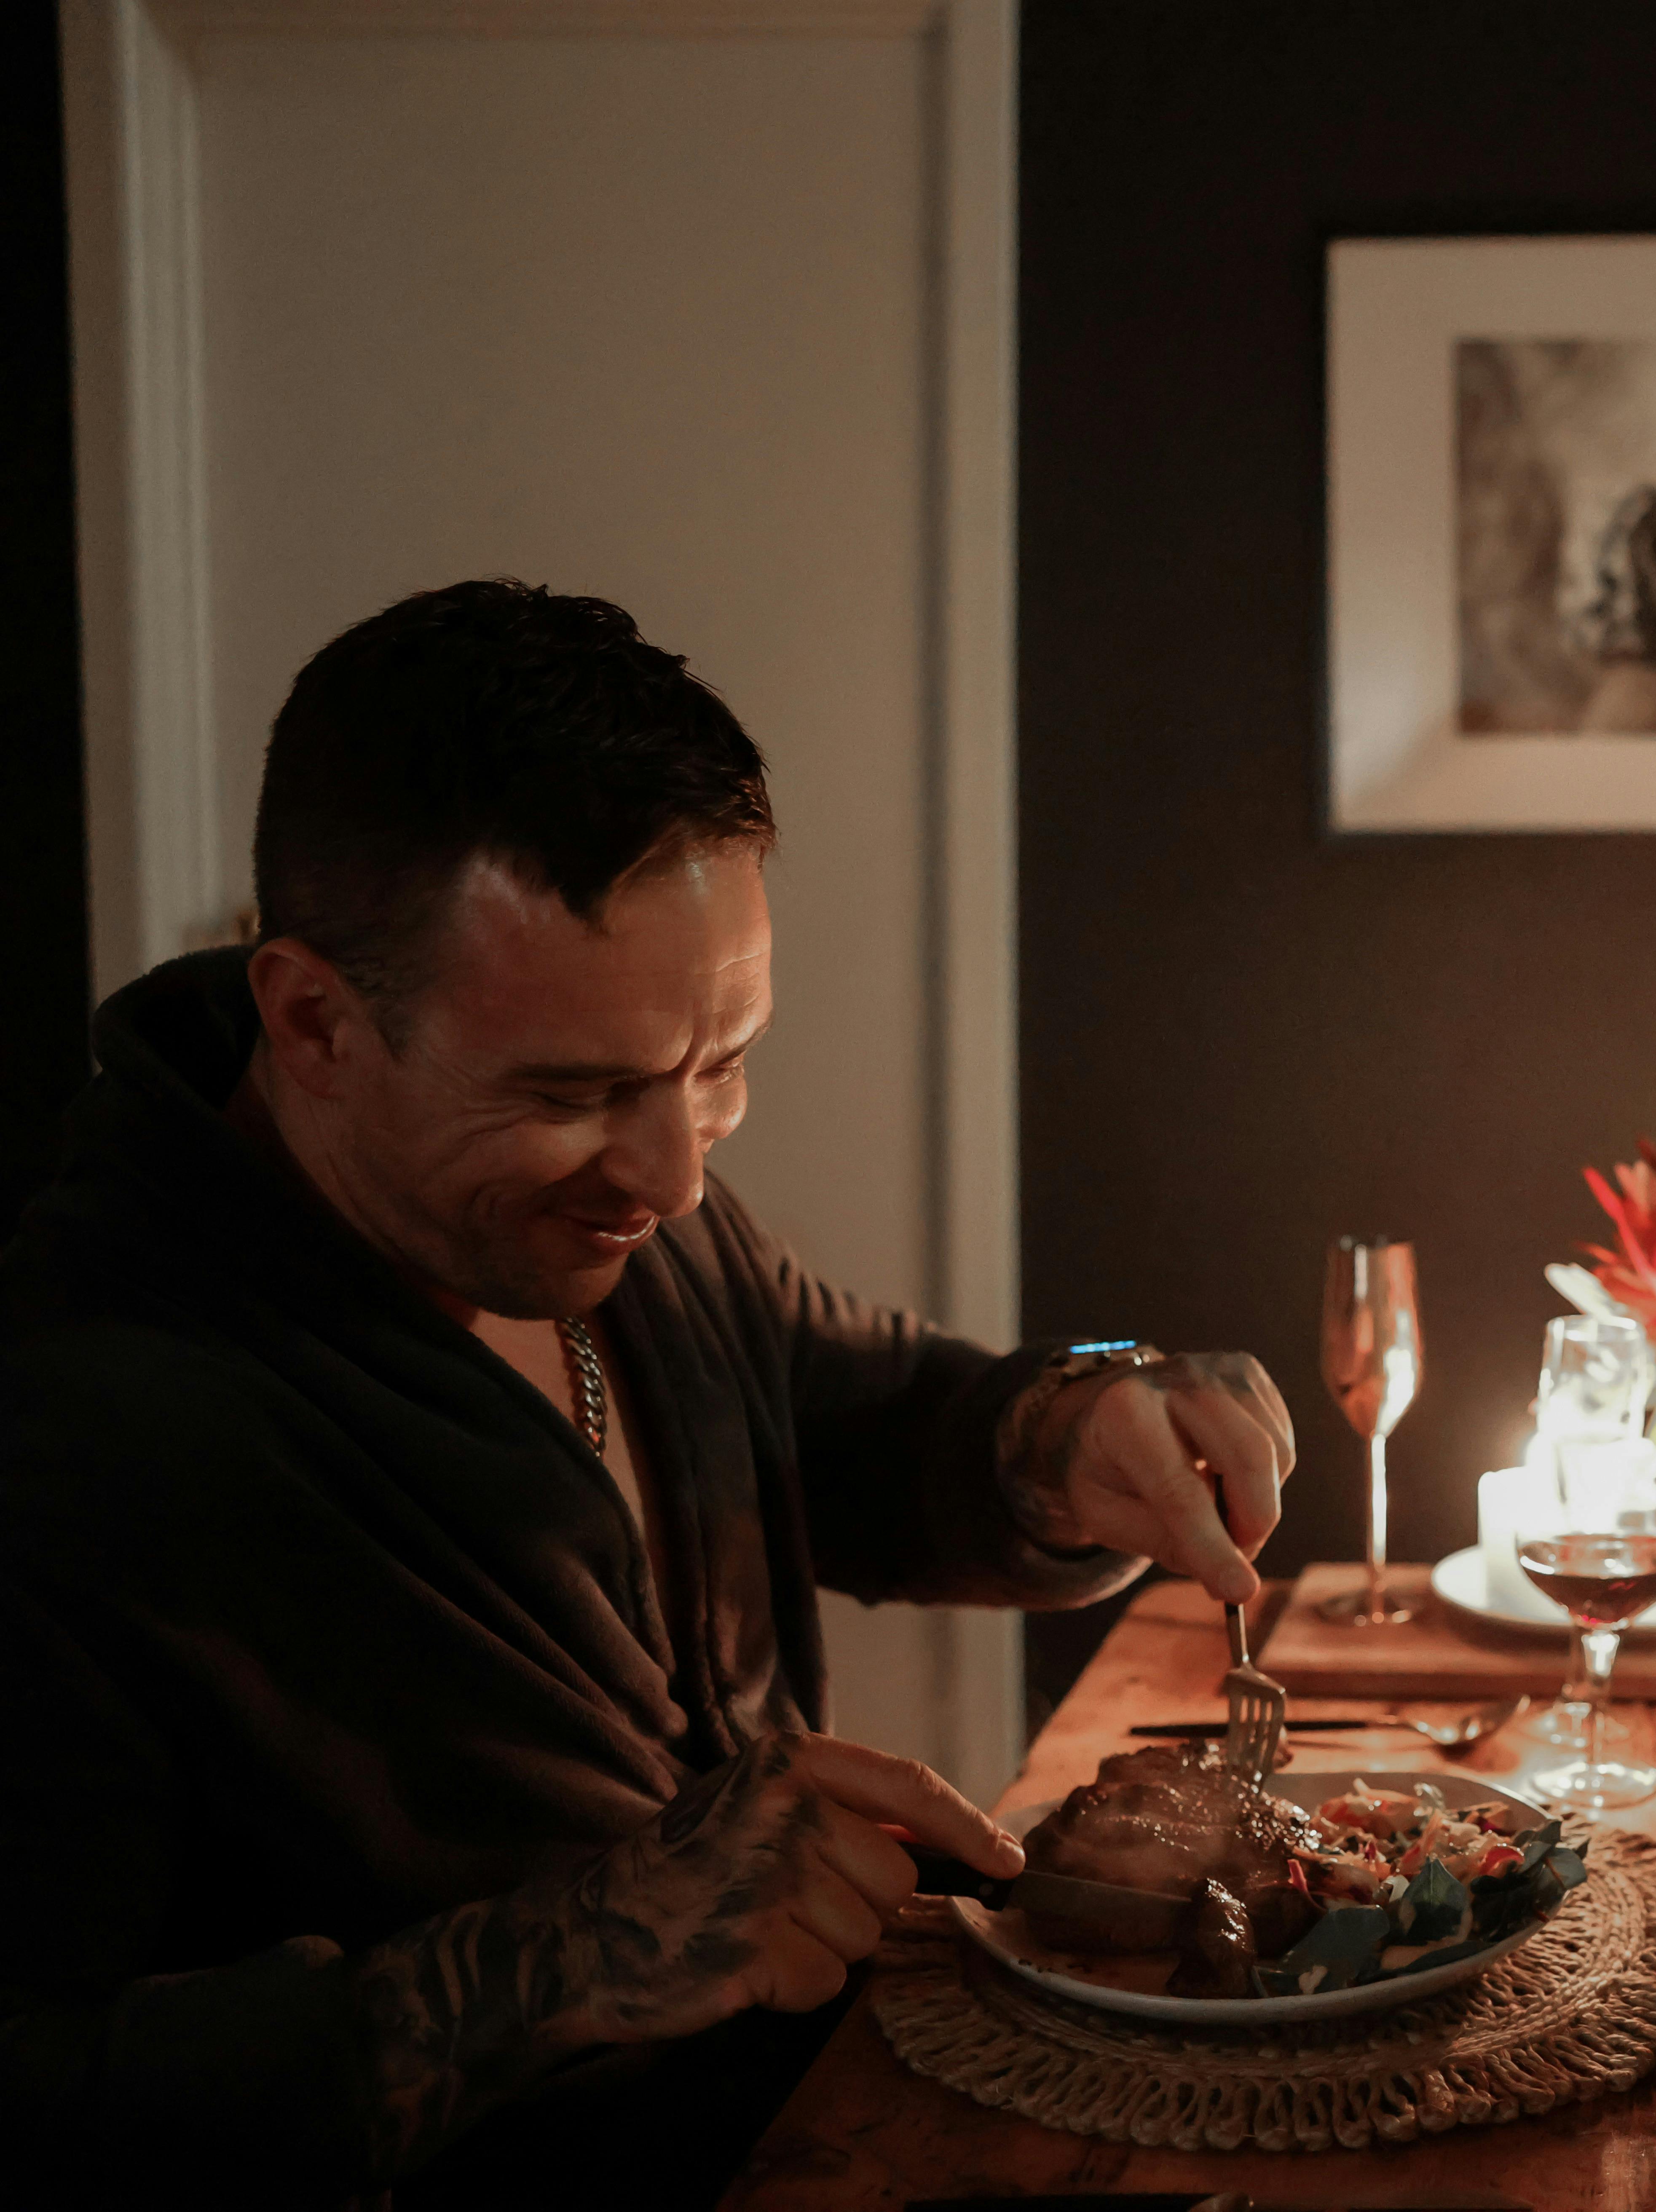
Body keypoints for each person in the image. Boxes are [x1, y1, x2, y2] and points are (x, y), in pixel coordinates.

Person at [0, 581, 1297, 2208]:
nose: (676, 1175)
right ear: (315, 1019)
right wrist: (550, 1966)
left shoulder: (612, 1215)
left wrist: (1068, 1425)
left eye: (720, 1063)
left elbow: (876, 1422)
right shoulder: (71, 1421)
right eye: (575, 1091)